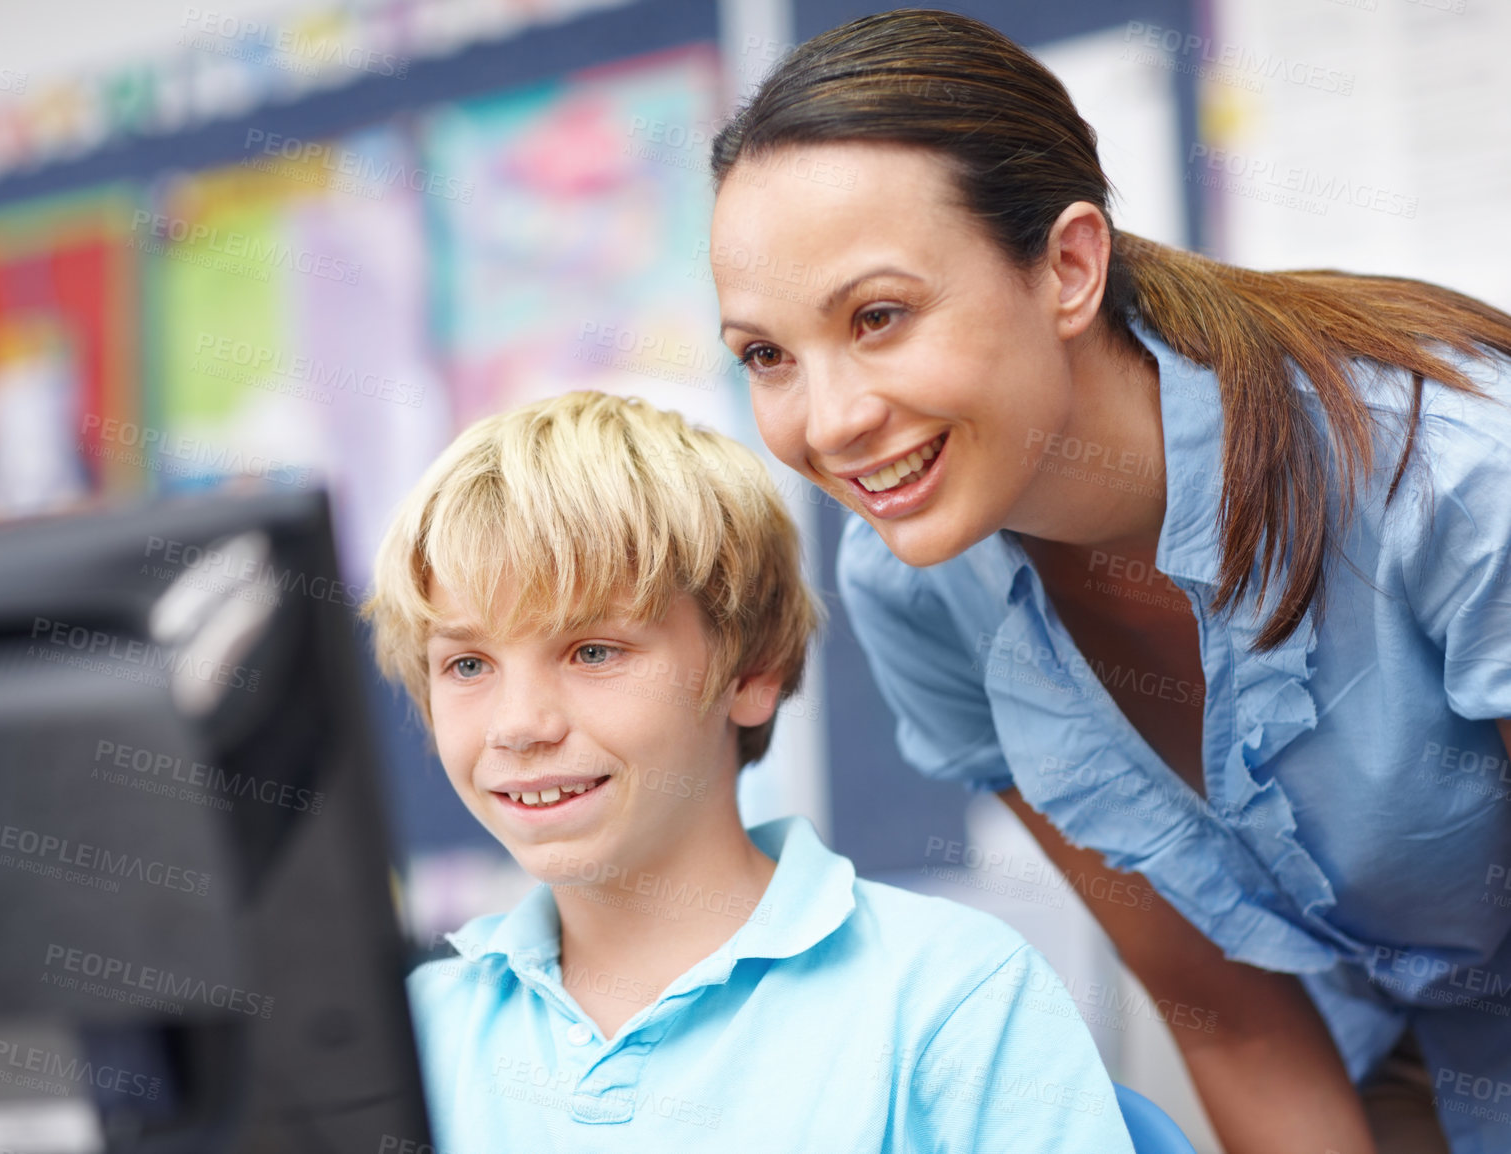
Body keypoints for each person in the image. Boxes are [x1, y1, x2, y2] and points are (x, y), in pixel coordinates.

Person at [706, 9, 1511, 1154]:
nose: (829, 422)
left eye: (878, 316)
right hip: (1408, 1075)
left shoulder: (1453, 473)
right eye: (767, 355)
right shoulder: (916, 588)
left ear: (1070, 266)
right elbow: (1230, 1019)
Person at [362, 390, 1134, 1151]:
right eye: (467, 664)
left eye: (594, 651)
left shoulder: (953, 1001)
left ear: (754, 670)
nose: (518, 725)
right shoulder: (408, 1038)